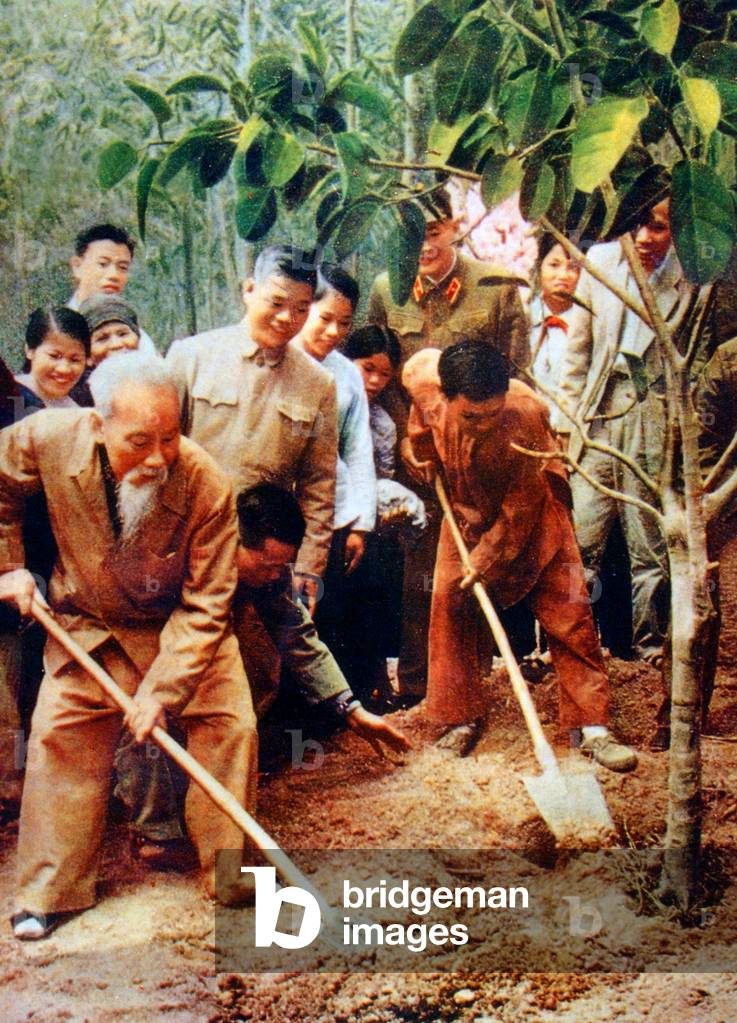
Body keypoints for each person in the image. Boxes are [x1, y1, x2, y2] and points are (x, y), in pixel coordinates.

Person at [0, 352, 258, 939]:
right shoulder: (46, 437)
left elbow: (207, 603)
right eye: (139, 442)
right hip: (92, 623)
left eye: (170, 438)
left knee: (231, 724)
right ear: (99, 424)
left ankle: (230, 875)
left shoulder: (207, 484)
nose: (158, 457)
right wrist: (9, 566)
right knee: (60, 733)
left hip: (185, 630)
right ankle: (49, 891)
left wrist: (162, 691)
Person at [111, 483, 410, 859]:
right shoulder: (176, 556)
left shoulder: (268, 574)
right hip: (138, 631)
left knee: (235, 724)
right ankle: (155, 830)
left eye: (282, 566)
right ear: (233, 541)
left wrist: (350, 708)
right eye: (267, 566)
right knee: (144, 707)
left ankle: (217, 836)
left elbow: (296, 634)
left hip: (206, 646)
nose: (275, 576)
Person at [403, 340, 637, 772]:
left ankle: (592, 728)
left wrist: (486, 559)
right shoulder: (425, 383)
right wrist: (418, 453)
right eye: (471, 417)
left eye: (491, 415)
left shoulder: (525, 413)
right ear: (447, 396)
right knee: (450, 604)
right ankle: (460, 718)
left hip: (534, 515)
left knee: (570, 615)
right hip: (464, 512)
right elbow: (418, 428)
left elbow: (522, 505)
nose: (482, 426)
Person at [367, 187, 531, 700]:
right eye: (410, 235)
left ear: (456, 225)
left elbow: (519, 378)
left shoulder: (495, 288)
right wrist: (408, 442)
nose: (423, 246)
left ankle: (474, 687)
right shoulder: (387, 289)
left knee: (478, 567)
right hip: (419, 462)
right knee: (422, 576)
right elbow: (380, 375)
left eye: (433, 232)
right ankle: (420, 690)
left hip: (479, 458)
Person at [166, 245, 337, 613]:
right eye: (276, 302)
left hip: (264, 564)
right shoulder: (191, 357)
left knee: (260, 650)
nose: (287, 317)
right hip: (189, 548)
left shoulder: (318, 384)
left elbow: (319, 485)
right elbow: (159, 458)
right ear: (248, 290)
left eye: (301, 309)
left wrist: (308, 565)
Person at [556, 199, 686, 667]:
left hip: (654, 418)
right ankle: (569, 646)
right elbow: (577, 353)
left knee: (648, 544)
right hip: (599, 412)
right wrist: (567, 423)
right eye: (636, 226)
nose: (645, 238)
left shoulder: (693, 277)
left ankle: (651, 651)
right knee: (580, 537)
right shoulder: (602, 261)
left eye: (658, 227)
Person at [293, 265, 378, 690]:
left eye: (344, 323)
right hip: (283, 512)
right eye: (324, 318)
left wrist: (361, 522)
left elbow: (358, 449)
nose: (333, 332)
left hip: (334, 511)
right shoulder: (279, 358)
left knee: (333, 612)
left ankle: (343, 707)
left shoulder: (346, 374)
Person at [344, 326, 427, 702]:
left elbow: (380, 477)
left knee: (373, 596)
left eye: (384, 374)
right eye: (367, 369)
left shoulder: (382, 423)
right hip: (330, 518)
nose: (375, 381)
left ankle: (375, 682)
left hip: (365, 527)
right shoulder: (332, 401)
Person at [67, 223, 157, 356]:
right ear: (77, 266)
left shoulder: (136, 335)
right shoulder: (59, 327)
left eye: (123, 267)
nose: (114, 275)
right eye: (103, 264)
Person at [525, 233, 581, 427]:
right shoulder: (523, 317)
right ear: (539, 266)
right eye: (554, 265)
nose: (563, 276)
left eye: (573, 267)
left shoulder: (588, 326)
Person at [72, 295, 145, 406]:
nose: (116, 344)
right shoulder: (76, 401)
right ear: (87, 357)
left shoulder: (157, 383)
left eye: (123, 334)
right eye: (102, 338)